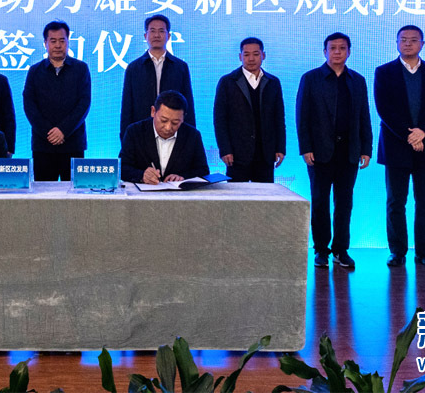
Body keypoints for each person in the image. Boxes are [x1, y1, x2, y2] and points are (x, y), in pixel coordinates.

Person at [374, 26, 425, 270]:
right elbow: (384, 108)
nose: (408, 44)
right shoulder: (384, 72)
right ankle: (397, 252)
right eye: (403, 40)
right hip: (396, 146)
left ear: (422, 44)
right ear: (397, 43)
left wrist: (423, 132)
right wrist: (410, 136)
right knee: (396, 202)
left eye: (413, 40)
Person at [296, 32, 372, 270]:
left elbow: (364, 116)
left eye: (342, 48)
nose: (337, 52)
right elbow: (302, 116)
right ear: (325, 51)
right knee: (320, 201)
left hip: (349, 151)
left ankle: (341, 249)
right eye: (333, 48)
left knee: (344, 203)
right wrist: (306, 147)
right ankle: (321, 250)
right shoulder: (311, 78)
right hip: (319, 152)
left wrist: (366, 148)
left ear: (349, 51)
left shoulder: (357, 80)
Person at [22, 20, 91, 181]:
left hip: (73, 143)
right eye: (53, 41)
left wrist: (63, 130)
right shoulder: (35, 71)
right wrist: (48, 132)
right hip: (43, 144)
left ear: (68, 42)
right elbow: (29, 105)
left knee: (74, 193)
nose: (58, 45)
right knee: (43, 193)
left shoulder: (81, 69)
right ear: (45, 43)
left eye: (62, 40)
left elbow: (84, 103)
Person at [213, 37, 286, 182]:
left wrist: (280, 148)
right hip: (237, 155)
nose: (251, 59)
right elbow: (220, 119)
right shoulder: (227, 82)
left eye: (256, 54)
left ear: (263, 55)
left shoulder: (273, 82)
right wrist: (225, 149)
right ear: (240, 57)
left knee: (265, 195)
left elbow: (279, 118)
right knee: (237, 195)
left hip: (265, 154)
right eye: (246, 54)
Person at [119, 14, 195, 140]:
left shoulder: (180, 67)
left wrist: (190, 137)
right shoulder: (134, 68)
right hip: (142, 133)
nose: (156, 35)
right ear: (145, 36)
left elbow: (188, 105)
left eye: (161, 31)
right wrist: (125, 139)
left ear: (168, 36)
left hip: (173, 131)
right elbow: (127, 107)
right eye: (152, 31)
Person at [120, 90, 209, 184]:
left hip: (178, 193)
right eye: (163, 120)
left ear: (183, 118)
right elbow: (122, 167)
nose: (168, 127)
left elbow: (203, 170)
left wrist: (183, 177)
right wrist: (142, 175)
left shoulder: (192, 135)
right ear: (153, 111)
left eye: (175, 122)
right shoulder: (135, 132)